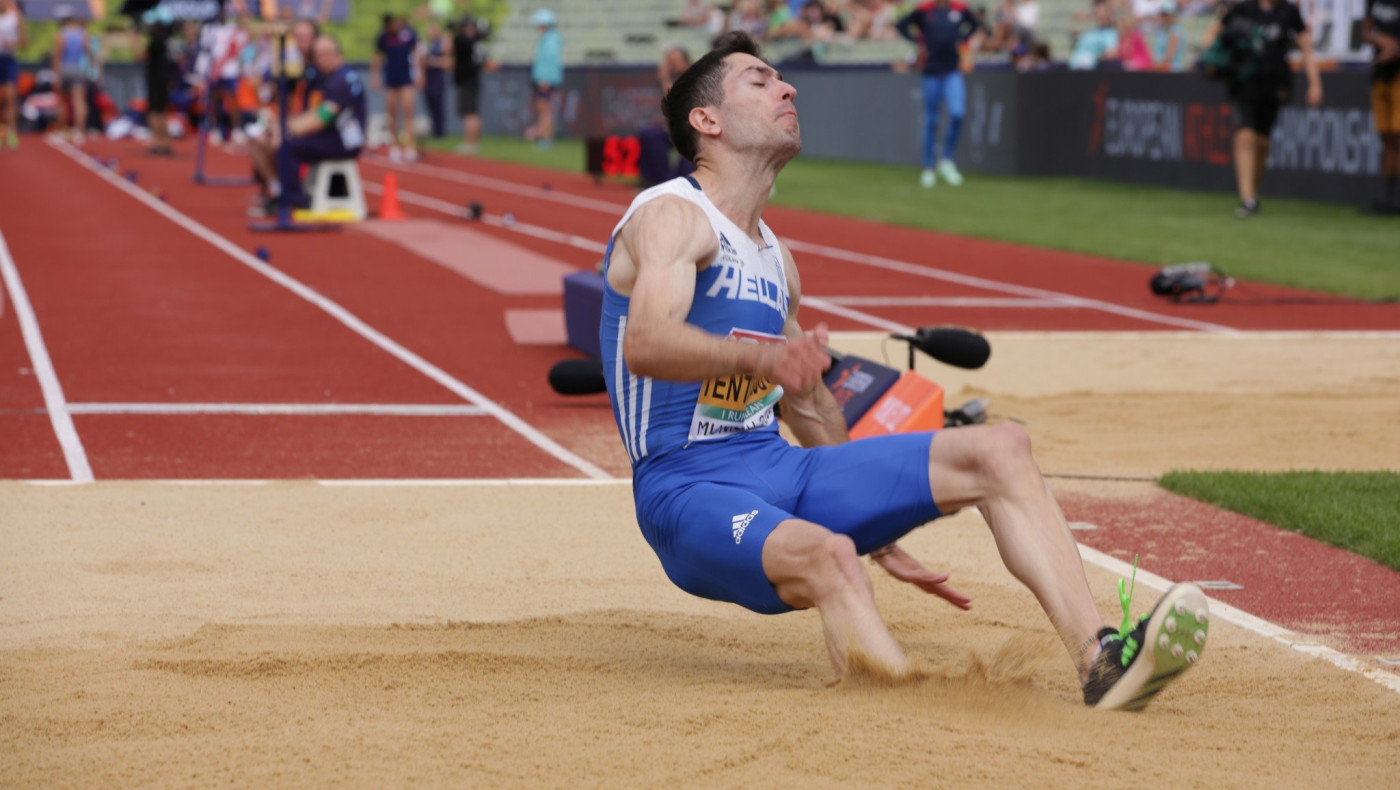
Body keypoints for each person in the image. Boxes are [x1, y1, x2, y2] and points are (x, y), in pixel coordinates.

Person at [601, 30, 1210, 710]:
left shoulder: (775, 257)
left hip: (782, 472)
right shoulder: (671, 216)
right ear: (706, 121)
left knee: (999, 447)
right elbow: (647, 343)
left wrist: (880, 529)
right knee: (830, 557)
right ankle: (905, 732)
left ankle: (1101, 659)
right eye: (760, 79)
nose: (787, 87)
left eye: (782, 78)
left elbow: (805, 405)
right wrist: (764, 356)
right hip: (689, 491)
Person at [1205, 0, 1322, 218]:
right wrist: (1213, 58)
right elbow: (1214, 33)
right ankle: (1247, 199)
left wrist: (1315, 84)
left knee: (1262, 142)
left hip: (1274, 85)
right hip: (1243, 83)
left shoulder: (1288, 12)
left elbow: (1306, 47)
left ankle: (1252, 194)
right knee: (1245, 135)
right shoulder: (1244, 9)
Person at [250, 34, 365, 214]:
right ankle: (278, 191)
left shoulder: (343, 79)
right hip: (327, 135)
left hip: (342, 141)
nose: (323, 59)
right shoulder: (322, 77)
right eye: (318, 55)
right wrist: (280, 125)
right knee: (263, 141)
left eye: (327, 53)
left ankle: (295, 200)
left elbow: (322, 118)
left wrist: (285, 129)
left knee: (287, 146)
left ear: (338, 54)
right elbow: (311, 113)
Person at [897, 0, 984, 188]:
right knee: (931, 120)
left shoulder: (959, 9)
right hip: (931, 73)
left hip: (952, 71)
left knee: (957, 113)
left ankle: (946, 160)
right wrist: (918, 42)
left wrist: (962, 39)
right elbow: (901, 25)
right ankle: (928, 168)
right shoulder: (924, 9)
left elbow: (976, 24)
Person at [1363, 0, 1400, 212]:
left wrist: (1395, 47)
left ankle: (1396, 199)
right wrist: (1381, 41)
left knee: (1398, 136)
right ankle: (1386, 199)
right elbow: (1365, 31)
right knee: (1386, 137)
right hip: (1381, 74)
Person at [373, 14, 421, 162]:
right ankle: (394, 146)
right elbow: (378, 57)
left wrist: (420, 73)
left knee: (408, 111)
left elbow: (417, 53)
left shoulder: (408, 34)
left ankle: (410, 146)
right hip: (391, 79)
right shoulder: (383, 37)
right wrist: (375, 76)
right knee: (392, 113)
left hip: (406, 78)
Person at [140, 4, 176, 155]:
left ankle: (157, 142)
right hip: (164, 79)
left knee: (154, 112)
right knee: (161, 111)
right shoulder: (168, 40)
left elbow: (141, 57)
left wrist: (135, 41)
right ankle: (165, 143)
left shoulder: (156, 40)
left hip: (155, 79)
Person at [451, 14, 489, 154]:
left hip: (467, 80)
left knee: (469, 113)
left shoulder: (464, 41)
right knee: (473, 112)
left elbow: (453, 46)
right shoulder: (478, 42)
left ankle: (470, 143)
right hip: (472, 79)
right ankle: (473, 142)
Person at [52, 16, 92, 143]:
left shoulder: (61, 35)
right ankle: (79, 131)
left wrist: (56, 75)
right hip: (78, 69)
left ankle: (62, 130)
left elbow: (57, 56)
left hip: (65, 69)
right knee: (79, 101)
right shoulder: (83, 34)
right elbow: (89, 53)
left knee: (62, 102)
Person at [529, 8, 562, 149]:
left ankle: (546, 139)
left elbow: (550, 60)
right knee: (544, 109)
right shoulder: (548, 38)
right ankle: (545, 138)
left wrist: (545, 79)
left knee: (545, 109)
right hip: (543, 79)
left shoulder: (551, 39)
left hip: (546, 80)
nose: (538, 27)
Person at [0, 0, 27, 150]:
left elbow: (24, 41)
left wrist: (12, 43)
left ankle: (12, 132)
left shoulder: (14, 18)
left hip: (9, 60)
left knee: (10, 97)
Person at [1067, 0, 1119, 70]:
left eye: (1103, 12)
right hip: (1074, 68)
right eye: (1098, 11)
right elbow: (1072, 34)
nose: (1100, 15)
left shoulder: (1111, 33)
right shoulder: (1089, 30)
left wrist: (1094, 58)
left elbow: (1111, 54)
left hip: (1092, 72)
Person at [422, 19, 450, 139]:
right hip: (428, 78)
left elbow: (446, 62)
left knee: (438, 105)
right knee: (430, 104)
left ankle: (440, 132)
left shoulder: (441, 44)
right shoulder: (428, 45)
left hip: (438, 78)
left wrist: (432, 61)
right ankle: (434, 130)